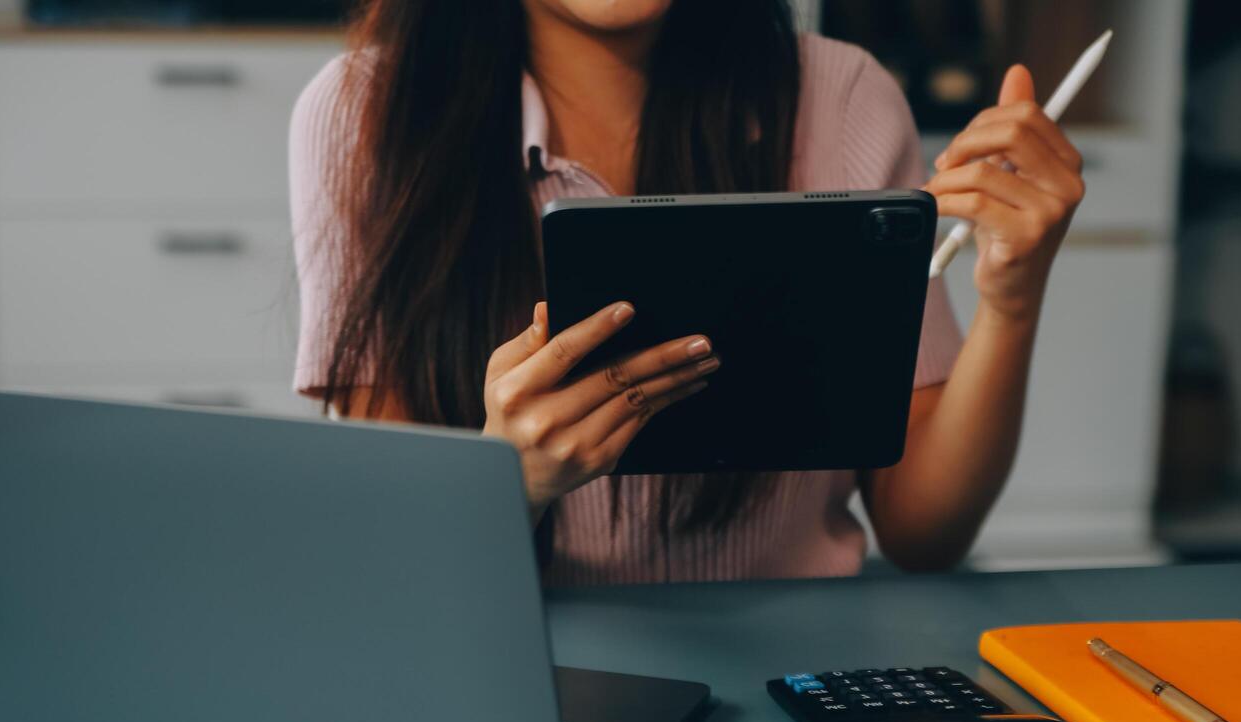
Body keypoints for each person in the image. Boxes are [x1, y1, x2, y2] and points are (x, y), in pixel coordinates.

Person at [290, 0, 1084, 585]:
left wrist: (1013, 298)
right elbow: (387, 568)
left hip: (800, 665)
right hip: (519, 668)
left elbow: (922, 532)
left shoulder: (844, 98)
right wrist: (510, 483)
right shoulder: (365, 114)